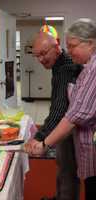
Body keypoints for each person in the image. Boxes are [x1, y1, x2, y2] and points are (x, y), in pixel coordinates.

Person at [28, 18, 96, 200]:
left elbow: (65, 112)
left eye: (73, 45)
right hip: (75, 128)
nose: (41, 59)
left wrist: (42, 140)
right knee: (65, 166)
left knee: (67, 168)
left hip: (77, 130)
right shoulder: (74, 65)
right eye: (37, 56)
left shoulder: (71, 67)